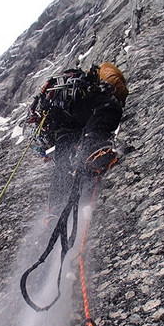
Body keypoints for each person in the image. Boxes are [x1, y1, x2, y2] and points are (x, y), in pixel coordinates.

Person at [46, 62, 128, 221]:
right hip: (74, 106)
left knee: (63, 159)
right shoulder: (103, 70)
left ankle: (55, 208)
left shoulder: (59, 90)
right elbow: (114, 80)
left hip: (58, 119)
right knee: (108, 107)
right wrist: (121, 98)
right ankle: (94, 150)